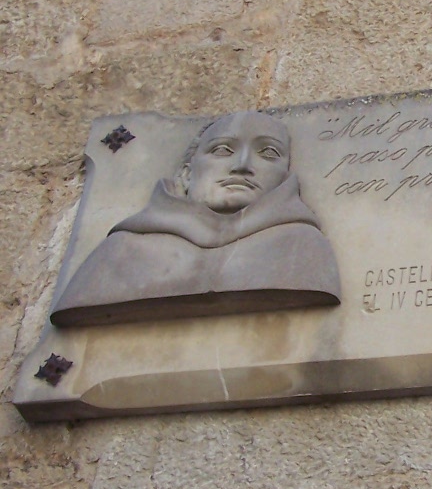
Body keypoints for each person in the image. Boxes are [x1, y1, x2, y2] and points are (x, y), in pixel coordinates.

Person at [50, 111, 341, 327]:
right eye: (222, 150)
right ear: (187, 173)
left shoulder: (303, 250)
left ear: (285, 179)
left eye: (268, 153)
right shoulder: (118, 254)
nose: (242, 166)